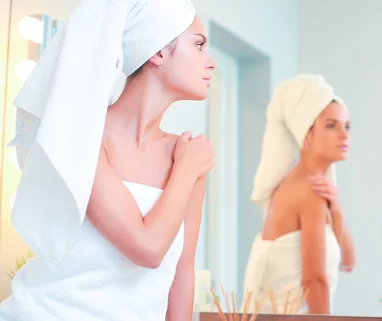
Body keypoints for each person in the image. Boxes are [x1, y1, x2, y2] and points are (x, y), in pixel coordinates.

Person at [0, 0, 215, 320]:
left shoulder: (186, 155)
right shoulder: (83, 136)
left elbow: (182, 275)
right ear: (158, 52)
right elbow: (147, 248)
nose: (210, 63)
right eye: (198, 45)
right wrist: (185, 170)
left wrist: (187, 167)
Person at [242, 74, 356, 315]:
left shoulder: (313, 188)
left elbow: (349, 261)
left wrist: (335, 208)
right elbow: (315, 280)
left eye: (347, 126)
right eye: (331, 125)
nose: (344, 135)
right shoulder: (308, 189)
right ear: (307, 135)